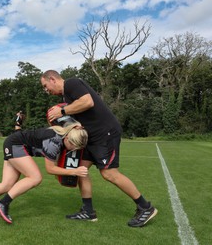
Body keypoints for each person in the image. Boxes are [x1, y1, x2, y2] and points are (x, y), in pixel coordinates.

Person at [41, 70, 157, 227]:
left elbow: (88, 102)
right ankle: (88, 211)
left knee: (109, 173)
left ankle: (145, 207)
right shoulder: (66, 96)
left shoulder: (72, 83)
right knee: (81, 170)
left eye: (45, 86)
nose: (46, 90)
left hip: (105, 133)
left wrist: (61, 111)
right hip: (91, 136)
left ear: (52, 79)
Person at [0, 122, 89, 224]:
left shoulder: (63, 136)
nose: (73, 150)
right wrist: (74, 171)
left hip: (13, 143)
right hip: (16, 145)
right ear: (67, 138)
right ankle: (3, 203)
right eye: (73, 146)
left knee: (6, 185)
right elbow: (50, 169)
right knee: (35, 177)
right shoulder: (55, 141)